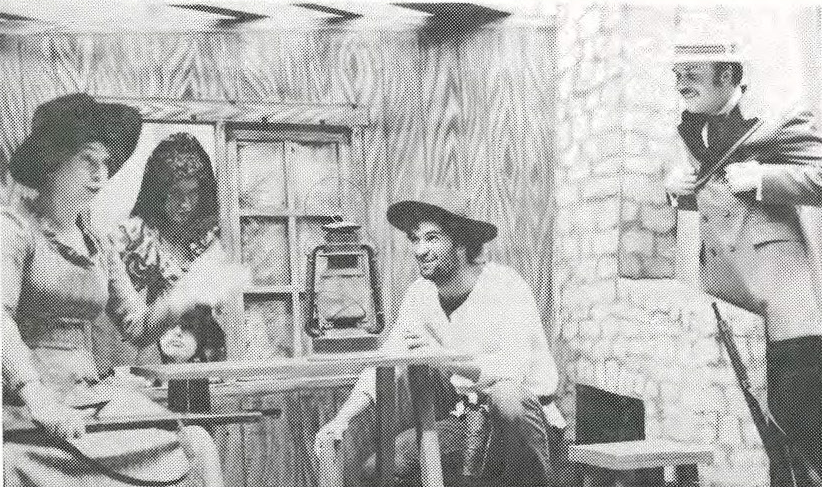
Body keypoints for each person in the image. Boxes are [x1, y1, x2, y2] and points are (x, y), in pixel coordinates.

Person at [1, 93, 224, 487]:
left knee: (193, 445)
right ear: (53, 162)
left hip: (90, 397)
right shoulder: (14, 230)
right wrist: (35, 395)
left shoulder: (98, 243)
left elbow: (136, 326)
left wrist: (186, 294)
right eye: (88, 160)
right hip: (24, 403)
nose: (100, 174)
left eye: (105, 163)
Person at [314, 188, 565, 487]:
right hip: (470, 422)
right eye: (415, 239)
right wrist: (342, 419)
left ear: (460, 241)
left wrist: (444, 359)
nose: (420, 250)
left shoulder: (505, 285)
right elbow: (386, 362)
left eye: (432, 238)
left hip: (526, 426)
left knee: (506, 398)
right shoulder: (419, 295)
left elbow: (511, 372)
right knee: (379, 469)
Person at [664, 37, 822, 485]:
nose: (682, 84)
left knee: (804, 435)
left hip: (786, 308)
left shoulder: (779, 120)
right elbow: (719, 199)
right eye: (677, 75)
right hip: (730, 304)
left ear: (728, 75)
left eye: (692, 74)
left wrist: (763, 179)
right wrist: (677, 192)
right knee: (764, 436)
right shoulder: (692, 129)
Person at [111, 132, 226, 369]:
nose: (185, 204)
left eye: (193, 193)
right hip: (143, 361)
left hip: (204, 362)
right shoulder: (133, 237)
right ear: (159, 191)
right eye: (176, 193)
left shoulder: (212, 237)